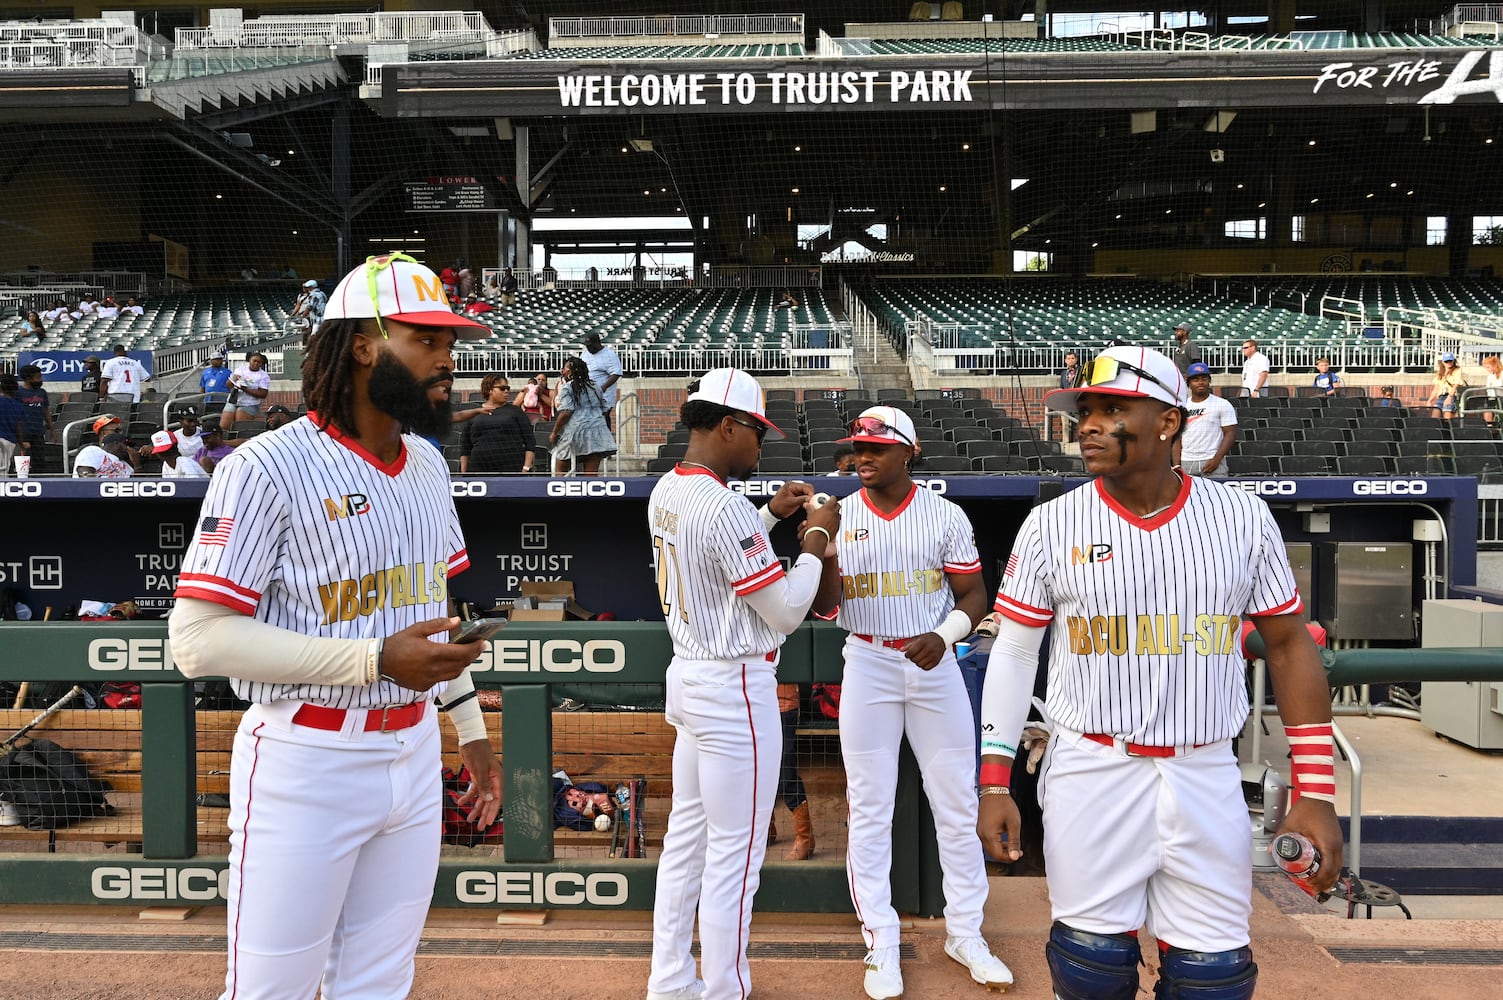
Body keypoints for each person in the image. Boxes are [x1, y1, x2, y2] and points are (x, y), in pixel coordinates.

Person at [166, 251, 500, 1000]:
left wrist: (472, 736)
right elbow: (195, 641)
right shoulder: (263, 467)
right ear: (363, 344)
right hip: (305, 758)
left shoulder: (426, 464)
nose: (448, 360)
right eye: (427, 340)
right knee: (269, 991)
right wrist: (374, 659)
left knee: (380, 986)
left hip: (413, 753)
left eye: (451, 343)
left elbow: (433, 625)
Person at [977, 345, 1343, 1000]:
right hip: (1091, 767)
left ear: (1169, 422)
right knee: (1089, 970)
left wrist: (1314, 790)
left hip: (1203, 768)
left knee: (1214, 976)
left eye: (1112, 409)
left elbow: (1288, 646)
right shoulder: (1048, 525)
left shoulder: (1241, 518)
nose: (1086, 424)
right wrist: (992, 780)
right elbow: (1011, 650)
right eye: (1082, 410)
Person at [645, 367, 841, 1000]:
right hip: (735, 691)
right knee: (736, 856)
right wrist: (813, 539)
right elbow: (785, 612)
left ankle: (670, 984)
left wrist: (768, 515)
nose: (761, 445)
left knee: (684, 844)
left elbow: (714, 546)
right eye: (756, 432)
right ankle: (724, 989)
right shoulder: (725, 507)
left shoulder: (667, 490)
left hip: (690, 681)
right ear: (726, 426)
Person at [809, 405, 1012, 999]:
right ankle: (880, 938)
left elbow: (974, 594)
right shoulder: (838, 515)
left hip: (934, 661)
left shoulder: (943, 514)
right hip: (868, 659)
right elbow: (825, 609)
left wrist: (946, 635)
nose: (863, 456)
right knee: (870, 806)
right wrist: (821, 551)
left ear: (908, 451)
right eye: (858, 447)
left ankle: (966, 932)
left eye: (877, 447)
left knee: (955, 801)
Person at [771, 682, 816, 861]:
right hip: (747, 702)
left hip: (781, 704)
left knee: (785, 773)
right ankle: (766, 828)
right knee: (752, 769)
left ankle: (805, 838)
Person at [549, 356, 615, 477]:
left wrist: (554, 432)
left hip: (576, 431)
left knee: (560, 468)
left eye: (564, 368)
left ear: (570, 371)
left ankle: (561, 495)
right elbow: (605, 408)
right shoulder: (595, 386)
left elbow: (566, 411)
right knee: (591, 476)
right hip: (598, 431)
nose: (562, 371)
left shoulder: (567, 388)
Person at [458, 375, 536, 474]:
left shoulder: (517, 412)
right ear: (490, 390)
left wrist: (526, 468)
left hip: (511, 471)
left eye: (508, 388)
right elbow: (465, 446)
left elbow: (530, 442)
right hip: (478, 470)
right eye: (502, 388)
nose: (506, 391)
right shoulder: (475, 413)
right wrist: (464, 474)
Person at [1177, 361, 1238, 476]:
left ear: (1209, 381)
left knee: (1217, 494)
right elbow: (1177, 437)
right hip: (1186, 462)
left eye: (1204, 379)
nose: (1200, 383)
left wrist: (1217, 459)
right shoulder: (1182, 406)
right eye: (1195, 380)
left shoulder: (1223, 404)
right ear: (1188, 383)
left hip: (1213, 461)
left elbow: (1230, 433)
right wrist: (1177, 464)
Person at [583, 332, 624, 431]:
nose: (588, 348)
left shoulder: (609, 354)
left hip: (603, 395)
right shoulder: (585, 353)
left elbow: (616, 373)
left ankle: (606, 444)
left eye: (590, 346)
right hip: (589, 394)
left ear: (597, 343)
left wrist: (603, 387)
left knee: (601, 420)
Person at [220, 352, 271, 431]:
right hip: (233, 400)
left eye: (259, 362)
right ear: (249, 360)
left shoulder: (263, 376)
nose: (256, 363)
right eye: (254, 361)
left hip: (249, 404)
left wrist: (245, 389)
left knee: (240, 427)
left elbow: (263, 394)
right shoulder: (240, 370)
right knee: (224, 425)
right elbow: (228, 385)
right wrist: (233, 379)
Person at [15, 366, 54, 460]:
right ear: (28, 379)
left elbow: (46, 412)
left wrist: (52, 429)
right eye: (38, 378)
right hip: (23, 434)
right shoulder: (18, 393)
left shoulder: (42, 392)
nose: (40, 380)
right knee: (24, 463)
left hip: (38, 433)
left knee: (39, 462)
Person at [1428, 352, 1467, 421]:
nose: (1448, 363)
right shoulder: (1440, 373)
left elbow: (1456, 384)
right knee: (1435, 417)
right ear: (1443, 362)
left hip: (1451, 396)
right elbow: (1437, 387)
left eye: (1450, 361)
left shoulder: (1457, 370)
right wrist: (1430, 400)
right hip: (1441, 396)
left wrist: (1450, 397)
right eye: (1446, 361)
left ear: (1453, 361)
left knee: (1447, 417)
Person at [0, 374, 25, 477]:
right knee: (3, 471)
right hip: (9, 442)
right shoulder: (19, 406)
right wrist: (22, 444)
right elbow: (18, 428)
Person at [1481, 356, 1502, 427]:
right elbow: (1488, 389)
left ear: (1494, 365)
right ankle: (1489, 426)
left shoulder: (1502, 374)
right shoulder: (1490, 376)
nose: (1487, 369)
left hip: (1501, 397)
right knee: (1487, 406)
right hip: (1493, 398)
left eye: (1488, 367)